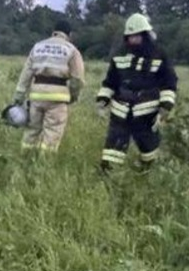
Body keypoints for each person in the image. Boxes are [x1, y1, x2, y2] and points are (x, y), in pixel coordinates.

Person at [96, 13, 178, 171]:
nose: (132, 40)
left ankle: (145, 171)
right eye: (130, 36)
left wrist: (165, 107)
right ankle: (107, 173)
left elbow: (169, 82)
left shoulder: (159, 55)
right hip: (121, 110)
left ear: (145, 36)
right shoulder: (119, 56)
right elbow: (110, 82)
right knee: (113, 146)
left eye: (136, 36)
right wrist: (102, 101)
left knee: (149, 148)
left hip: (147, 112)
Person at [12, 19, 85, 151]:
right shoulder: (71, 49)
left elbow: (26, 73)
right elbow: (77, 79)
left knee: (32, 130)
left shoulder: (38, 46)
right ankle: (45, 163)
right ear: (69, 34)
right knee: (52, 132)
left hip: (36, 96)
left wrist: (19, 94)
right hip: (57, 98)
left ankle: (26, 156)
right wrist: (73, 96)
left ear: (54, 32)